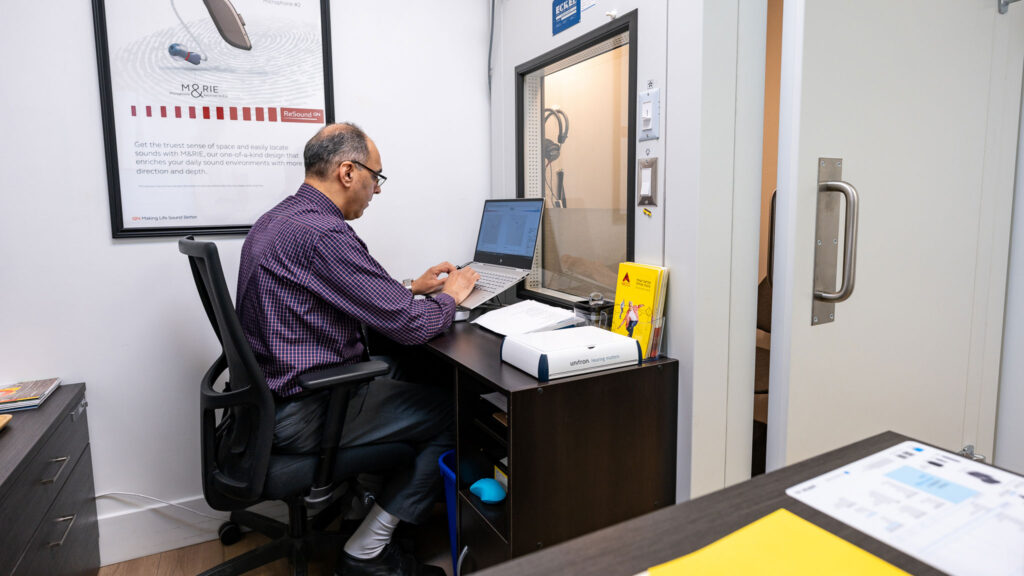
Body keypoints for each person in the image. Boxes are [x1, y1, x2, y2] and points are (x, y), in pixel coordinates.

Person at [236, 122, 480, 576]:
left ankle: (358, 506)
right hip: (304, 411)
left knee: (401, 369)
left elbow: (335, 290)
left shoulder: (281, 220)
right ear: (348, 172)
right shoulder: (324, 234)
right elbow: (409, 325)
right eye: (376, 176)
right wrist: (453, 294)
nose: (377, 190)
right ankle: (367, 548)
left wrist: (411, 286)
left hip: (271, 402)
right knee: (453, 412)